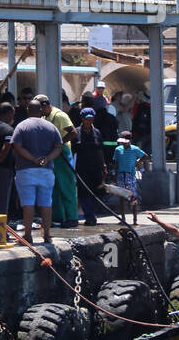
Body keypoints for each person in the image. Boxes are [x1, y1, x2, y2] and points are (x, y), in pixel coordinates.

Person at [8, 99, 64, 244]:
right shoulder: (51, 127)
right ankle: (47, 235)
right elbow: (59, 147)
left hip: (25, 170)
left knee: (28, 203)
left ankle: (28, 235)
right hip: (46, 170)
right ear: (41, 111)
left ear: (28, 110)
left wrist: (33, 159)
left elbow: (17, 146)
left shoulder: (22, 126)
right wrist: (46, 159)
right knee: (46, 203)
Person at [36, 94, 79, 228]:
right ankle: (58, 217)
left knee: (66, 186)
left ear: (45, 105)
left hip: (62, 154)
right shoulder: (44, 116)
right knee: (54, 187)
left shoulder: (59, 115)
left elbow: (73, 132)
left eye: (39, 109)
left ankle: (72, 217)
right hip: (52, 154)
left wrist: (59, 143)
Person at [74, 108, 108, 226]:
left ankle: (91, 211)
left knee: (100, 191)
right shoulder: (76, 132)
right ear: (82, 119)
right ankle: (89, 216)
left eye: (91, 119)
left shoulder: (97, 132)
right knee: (84, 192)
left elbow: (100, 149)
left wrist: (104, 165)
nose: (89, 121)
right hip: (82, 168)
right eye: (87, 119)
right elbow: (73, 151)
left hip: (96, 167)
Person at [113, 131, 148, 196]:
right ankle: (123, 206)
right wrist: (115, 178)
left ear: (130, 140)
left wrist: (138, 161)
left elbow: (145, 156)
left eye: (125, 142)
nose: (124, 143)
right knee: (122, 196)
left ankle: (133, 206)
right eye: (122, 142)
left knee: (132, 197)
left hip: (131, 175)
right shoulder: (118, 149)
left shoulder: (135, 149)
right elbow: (116, 163)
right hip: (120, 176)